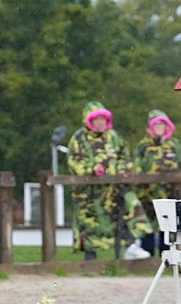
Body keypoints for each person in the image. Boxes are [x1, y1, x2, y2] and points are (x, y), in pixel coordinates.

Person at [66, 101, 152, 261]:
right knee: (89, 224)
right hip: (89, 193)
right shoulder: (79, 138)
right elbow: (73, 162)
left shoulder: (114, 136)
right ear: (89, 120)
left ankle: (131, 246)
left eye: (103, 119)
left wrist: (123, 170)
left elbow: (125, 157)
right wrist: (92, 169)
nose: (100, 123)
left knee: (128, 209)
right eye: (96, 119)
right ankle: (90, 259)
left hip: (113, 190)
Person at [133, 109, 181, 255]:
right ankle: (147, 261)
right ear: (151, 127)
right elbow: (136, 167)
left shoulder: (174, 145)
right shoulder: (143, 146)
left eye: (162, 123)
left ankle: (165, 259)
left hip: (169, 194)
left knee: (167, 229)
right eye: (156, 124)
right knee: (147, 228)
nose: (159, 126)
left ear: (167, 126)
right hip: (147, 195)